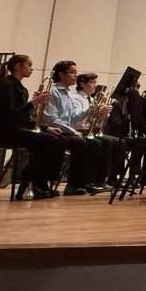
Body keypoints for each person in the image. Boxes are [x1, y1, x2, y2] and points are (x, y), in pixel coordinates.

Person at [0, 54, 62, 199]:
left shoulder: (20, 88)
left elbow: (23, 117)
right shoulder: (5, 85)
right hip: (2, 129)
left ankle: (39, 183)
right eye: (29, 65)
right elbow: (9, 114)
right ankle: (29, 182)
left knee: (55, 139)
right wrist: (33, 103)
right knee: (48, 141)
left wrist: (46, 127)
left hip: (14, 128)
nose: (32, 69)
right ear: (17, 67)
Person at [40, 60, 102, 195]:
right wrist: (74, 131)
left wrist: (89, 111)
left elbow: (72, 118)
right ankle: (70, 184)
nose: (76, 75)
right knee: (80, 142)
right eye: (72, 72)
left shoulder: (67, 93)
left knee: (93, 143)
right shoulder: (53, 91)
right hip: (52, 129)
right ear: (61, 75)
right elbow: (52, 119)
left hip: (65, 130)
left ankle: (81, 183)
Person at [72, 72, 125, 187]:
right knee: (104, 142)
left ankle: (108, 178)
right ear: (82, 84)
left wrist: (104, 114)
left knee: (118, 142)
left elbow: (97, 123)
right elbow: (76, 119)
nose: (95, 85)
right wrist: (93, 109)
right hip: (80, 130)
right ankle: (92, 179)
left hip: (91, 131)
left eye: (95, 82)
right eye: (92, 82)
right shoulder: (76, 97)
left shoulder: (90, 99)